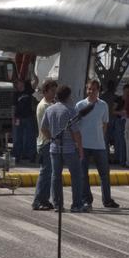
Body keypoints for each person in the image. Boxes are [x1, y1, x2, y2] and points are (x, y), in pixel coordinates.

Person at [41, 84, 96, 213]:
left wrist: (52, 138)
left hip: (54, 149)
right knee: (76, 176)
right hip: (69, 149)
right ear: (68, 96)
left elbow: (43, 128)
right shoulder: (70, 110)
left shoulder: (50, 110)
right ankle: (76, 204)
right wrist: (81, 150)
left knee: (56, 176)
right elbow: (75, 133)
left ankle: (58, 204)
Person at [78, 79, 119, 210]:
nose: (91, 91)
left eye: (94, 89)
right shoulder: (80, 105)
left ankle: (107, 200)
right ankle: (86, 200)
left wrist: (100, 137)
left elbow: (105, 124)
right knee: (83, 174)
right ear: (86, 89)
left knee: (104, 174)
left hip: (99, 145)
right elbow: (76, 126)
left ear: (98, 90)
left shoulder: (103, 105)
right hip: (83, 144)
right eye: (89, 89)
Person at [31, 79, 58, 211]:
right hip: (46, 143)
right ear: (45, 91)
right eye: (52, 91)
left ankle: (44, 199)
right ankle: (38, 200)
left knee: (49, 173)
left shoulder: (50, 104)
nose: (54, 94)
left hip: (48, 142)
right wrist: (53, 140)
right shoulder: (44, 106)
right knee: (45, 172)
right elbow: (44, 128)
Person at [13, 78, 37, 164]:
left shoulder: (28, 91)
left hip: (28, 117)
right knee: (17, 137)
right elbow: (13, 107)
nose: (18, 84)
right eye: (16, 83)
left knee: (30, 137)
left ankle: (31, 156)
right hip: (18, 118)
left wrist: (34, 74)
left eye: (18, 82)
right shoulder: (15, 94)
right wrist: (13, 118)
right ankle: (17, 156)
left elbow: (36, 82)